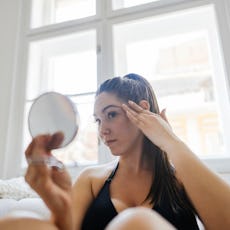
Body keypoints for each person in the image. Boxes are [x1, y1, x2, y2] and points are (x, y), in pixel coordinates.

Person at [0, 73, 229, 230]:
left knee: (136, 221)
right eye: (98, 120)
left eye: (111, 115)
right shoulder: (91, 179)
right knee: (16, 223)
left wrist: (169, 141)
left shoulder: (181, 177)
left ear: (142, 110)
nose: (103, 130)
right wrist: (57, 204)